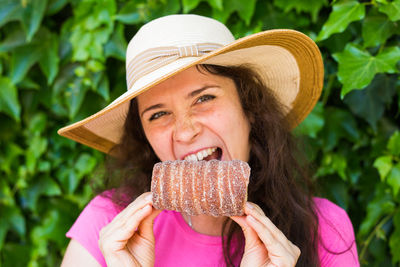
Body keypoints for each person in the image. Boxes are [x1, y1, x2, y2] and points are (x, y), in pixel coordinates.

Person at [59, 14, 359, 267]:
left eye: (204, 98)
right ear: (145, 136)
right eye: (158, 114)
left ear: (249, 108)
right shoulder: (109, 225)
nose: (186, 131)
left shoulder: (324, 228)